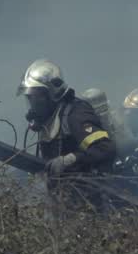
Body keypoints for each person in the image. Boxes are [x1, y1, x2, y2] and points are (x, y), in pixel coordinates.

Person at [18, 60, 117, 208]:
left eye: (37, 98)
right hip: (64, 202)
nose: (33, 104)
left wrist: (70, 159)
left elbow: (105, 148)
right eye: (30, 98)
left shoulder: (75, 114)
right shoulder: (49, 119)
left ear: (52, 93)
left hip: (92, 203)